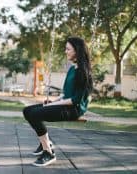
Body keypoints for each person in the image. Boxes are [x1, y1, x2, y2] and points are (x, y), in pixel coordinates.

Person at [23, 36, 93, 167]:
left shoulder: (83, 72)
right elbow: (65, 94)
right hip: (66, 104)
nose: (65, 51)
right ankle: (46, 143)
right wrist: (53, 101)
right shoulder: (73, 69)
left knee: (35, 114)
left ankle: (48, 153)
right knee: (27, 111)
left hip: (74, 109)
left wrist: (54, 104)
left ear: (77, 51)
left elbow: (75, 100)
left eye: (68, 49)